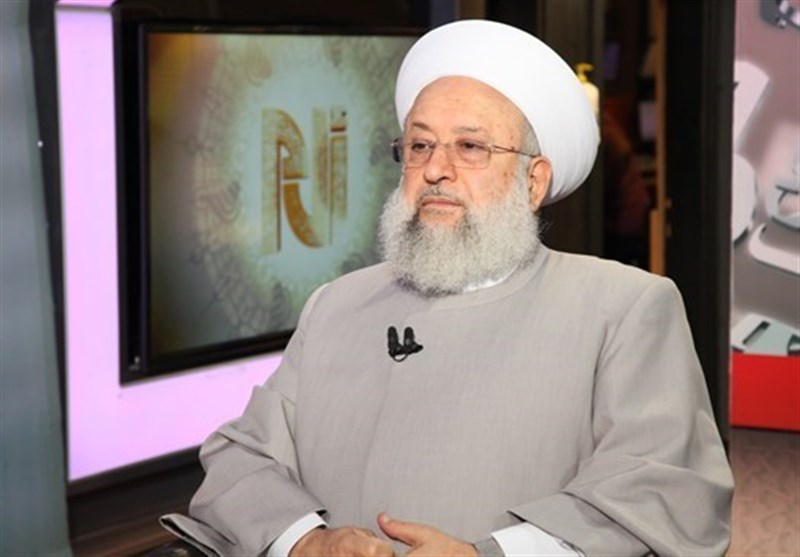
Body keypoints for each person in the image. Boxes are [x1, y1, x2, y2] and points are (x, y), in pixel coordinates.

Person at [161, 19, 734, 557]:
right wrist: (305, 540)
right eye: (420, 146)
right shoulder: (337, 304)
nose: (436, 169)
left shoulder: (624, 306)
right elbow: (242, 458)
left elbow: (661, 488)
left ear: (533, 181)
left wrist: (491, 555)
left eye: (470, 147)